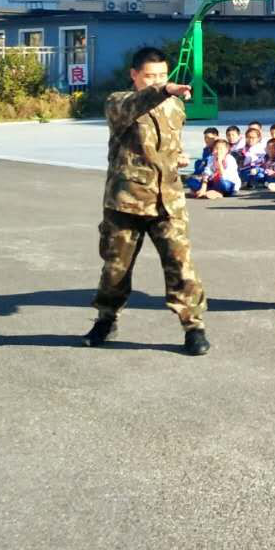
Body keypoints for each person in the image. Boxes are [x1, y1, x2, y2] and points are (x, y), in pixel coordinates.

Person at [85, 47, 209, 356]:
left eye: (162, 75)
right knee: (116, 269)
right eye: (150, 76)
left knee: (181, 265)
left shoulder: (175, 107)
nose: (157, 81)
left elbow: (169, 145)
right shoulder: (119, 102)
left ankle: (193, 326)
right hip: (127, 202)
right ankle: (106, 318)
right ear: (134, 75)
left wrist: (177, 156)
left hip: (168, 201)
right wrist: (164, 89)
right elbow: (140, 101)